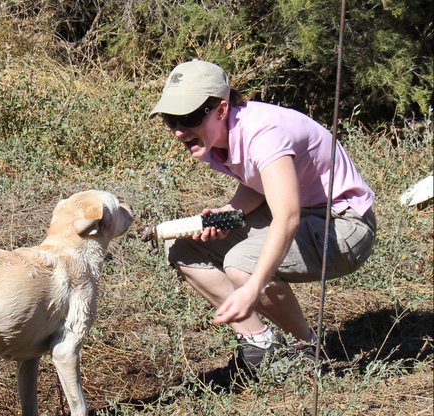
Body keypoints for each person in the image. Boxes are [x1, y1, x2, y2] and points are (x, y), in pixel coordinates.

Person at [149, 59, 376, 374]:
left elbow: (287, 217)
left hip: (343, 226)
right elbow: (259, 183)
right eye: (170, 119)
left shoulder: (264, 134)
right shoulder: (214, 138)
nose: (178, 131)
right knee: (183, 247)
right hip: (303, 213)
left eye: (188, 118)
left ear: (221, 109)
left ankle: (307, 350)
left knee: (242, 264)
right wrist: (230, 212)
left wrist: (253, 287)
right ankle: (260, 342)